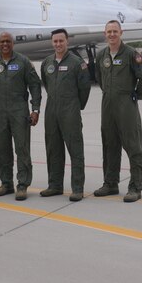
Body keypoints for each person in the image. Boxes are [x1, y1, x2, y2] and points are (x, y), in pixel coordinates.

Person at [0, 32, 42, 201]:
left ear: (13, 43)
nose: (5, 44)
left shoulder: (23, 62)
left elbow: (35, 85)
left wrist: (35, 109)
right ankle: (6, 183)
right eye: (2, 42)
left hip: (19, 111)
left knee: (22, 148)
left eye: (8, 41)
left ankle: (22, 185)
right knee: (1, 148)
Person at [94, 20, 142, 203]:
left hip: (126, 105)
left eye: (115, 31)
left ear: (121, 33)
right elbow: (99, 78)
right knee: (109, 145)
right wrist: (110, 93)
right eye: (109, 31)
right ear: (105, 33)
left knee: (132, 146)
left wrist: (135, 96)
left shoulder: (131, 55)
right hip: (107, 105)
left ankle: (135, 187)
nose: (112, 34)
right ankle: (110, 183)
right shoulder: (101, 55)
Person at [39, 28, 90, 201]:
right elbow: (46, 83)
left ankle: (77, 188)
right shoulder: (47, 62)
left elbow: (85, 88)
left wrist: (76, 106)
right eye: (55, 41)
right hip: (51, 111)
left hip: (70, 111)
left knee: (75, 150)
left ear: (67, 42)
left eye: (61, 41)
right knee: (53, 149)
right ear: (52, 42)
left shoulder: (77, 63)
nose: (58, 44)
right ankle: (55, 185)